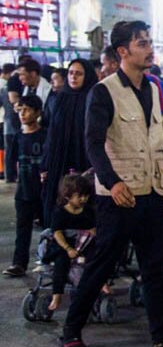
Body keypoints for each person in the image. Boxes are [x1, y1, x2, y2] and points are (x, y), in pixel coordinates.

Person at [59, 20, 163, 347]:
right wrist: (112, 182)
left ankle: (162, 341)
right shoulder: (103, 91)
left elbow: (157, 142)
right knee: (101, 266)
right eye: (142, 43)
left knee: (155, 269)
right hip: (118, 198)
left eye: (150, 41)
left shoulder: (153, 88)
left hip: (151, 194)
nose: (149, 48)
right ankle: (70, 332)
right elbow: (93, 143)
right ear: (123, 51)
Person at [39, 58, 99, 227]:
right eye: (71, 73)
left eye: (79, 74)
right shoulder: (60, 98)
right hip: (59, 161)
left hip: (84, 160)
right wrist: (46, 164)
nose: (73, 77)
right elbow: (52, 133)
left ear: (87, 76)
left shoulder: (93, 99)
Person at [3, 95, 46, 278]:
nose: (23, 114)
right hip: (24, 192)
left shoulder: (46, 135)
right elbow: (12, 161)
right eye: (20, 110)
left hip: (43, 192)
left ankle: (48, 261)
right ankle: (19, 264)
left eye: (27, 110)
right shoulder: (18, 137)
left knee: (49, 229)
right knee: (23, 230)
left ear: (37, 113)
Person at [43, 173, 97, 312]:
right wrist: (68, 249)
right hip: (64, 246)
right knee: (61, 262)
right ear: (67, 196)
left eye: (86, 195)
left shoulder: (88, 211)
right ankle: (57, 295)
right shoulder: (60, 212)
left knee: (95, 258)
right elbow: (57, 232)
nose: (84, 199)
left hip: (83, 244)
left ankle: (101, 284)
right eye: (80, 196)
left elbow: (92, 229)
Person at [2, 63, 20, 182]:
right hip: (13, 122)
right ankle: (10, 175)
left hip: (7, 121)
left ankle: (9, 175)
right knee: (11, 149)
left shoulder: (4, 87)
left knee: (9, 149)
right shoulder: (8, 84)